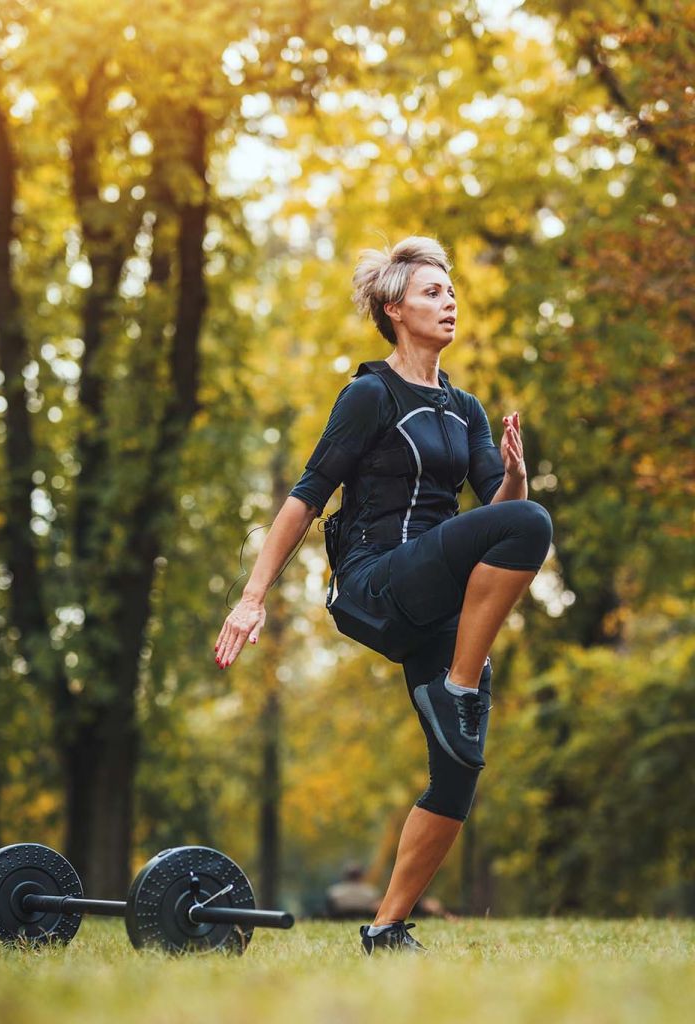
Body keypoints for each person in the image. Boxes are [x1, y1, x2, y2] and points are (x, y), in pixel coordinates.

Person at [214, 236, 553, 955]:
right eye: (433, 292)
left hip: (435, 598)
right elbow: (306, 497)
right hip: (375, 581)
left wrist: (517, 473)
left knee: (457, 772)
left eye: (451, 290)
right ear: (395, 309)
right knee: (531, 523)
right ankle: (460, 682)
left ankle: (386, 928)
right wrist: (252, 595)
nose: (449, 301)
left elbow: (501, 508)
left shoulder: (465, 409)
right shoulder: (370, 394)